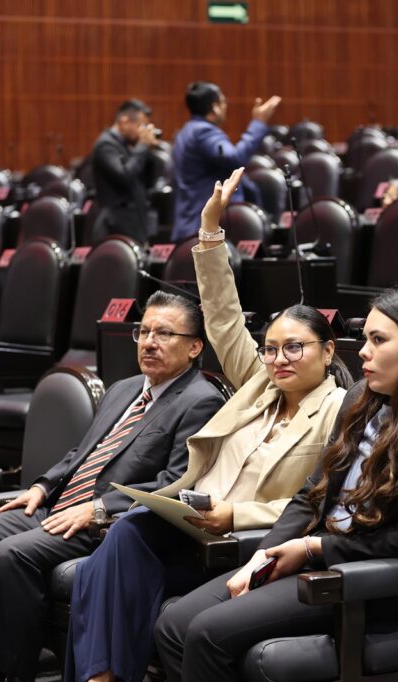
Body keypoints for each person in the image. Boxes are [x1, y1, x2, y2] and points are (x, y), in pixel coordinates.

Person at [66, 167, 351, 682]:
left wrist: (235, 515)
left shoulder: (338, 409)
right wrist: (210, 231)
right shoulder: (260, 382)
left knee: (122, 560)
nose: (279, 359)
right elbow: (222, 314)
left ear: (328, 351)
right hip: (190, 521)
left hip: (238, 538)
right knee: (125, 537)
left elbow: (315, 499)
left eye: (295, 348)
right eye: (270, 349)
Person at [153, 286, 398, 682]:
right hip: (321, 557)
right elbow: (309, 495)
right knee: (173, 624)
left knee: (206, 633)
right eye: (366, 338)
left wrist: (314, 547)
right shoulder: (363, 397)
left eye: (379, 340)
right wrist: (261, 558)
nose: (363, 351)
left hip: (374, 581)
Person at [0, 291, 226, 682]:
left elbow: (174, 483)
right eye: (143, 332)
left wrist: (99, 509)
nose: (149, 342)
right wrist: (43, 487)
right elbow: (83, 450)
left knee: (14, 554)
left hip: (106, 522)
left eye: (164, 334)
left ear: (195, 346)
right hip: (60, 502)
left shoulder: (200, 400)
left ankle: (10, 671)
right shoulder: (125, 389)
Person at [170, 82, 280, 241]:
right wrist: (259, 122)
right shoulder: (204, 132)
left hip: (189, 222)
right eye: (223, 102)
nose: (225, 107)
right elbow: (235, 158)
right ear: (215, 107)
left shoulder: (185, 131)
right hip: (205, 226)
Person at [91, 99, 159, 244]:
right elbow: (124, 175)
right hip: (116, 226)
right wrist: (142, 146)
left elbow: (149, 181)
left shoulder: (129, 145)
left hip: (135, 222)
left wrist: (150, 150)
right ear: (124, 121)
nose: (143, 131)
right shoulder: (106, 145)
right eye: (141, 125)